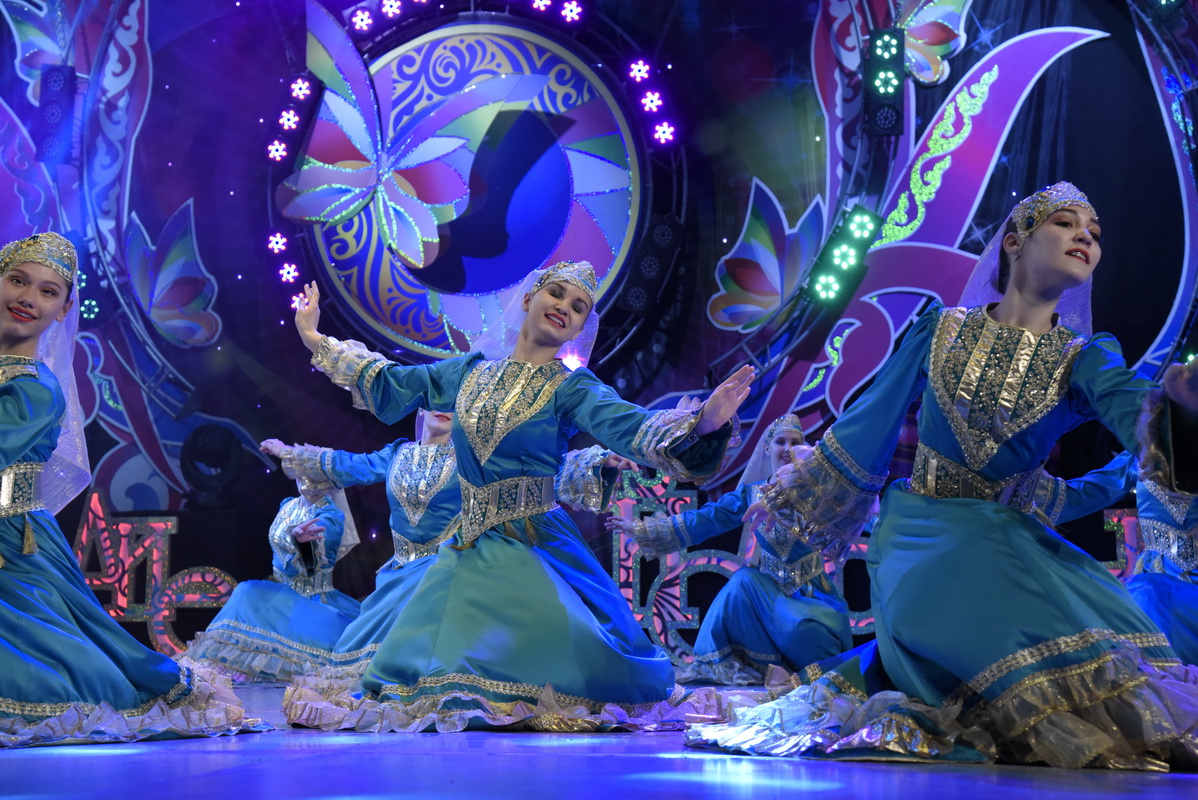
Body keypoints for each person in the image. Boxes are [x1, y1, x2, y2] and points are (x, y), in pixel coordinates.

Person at [689, 183, 1198, 770]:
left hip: (1009, 541)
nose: (1086, 235)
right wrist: (799, 491)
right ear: (1014, 242)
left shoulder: (1084, 356)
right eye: (1065, 222)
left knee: (1108, 685)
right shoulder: (940, 330)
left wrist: (1181, 412)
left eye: (1096, 233)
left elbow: (1136, 413)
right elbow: (871, 418)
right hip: (921, 536)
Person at [282, 260, 754, 731]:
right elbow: (395, 382)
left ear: (579, 328)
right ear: (529, 298)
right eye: (557, 293)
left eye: (579, 307)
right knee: (427, 678)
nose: (564, 307)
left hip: (534, 542)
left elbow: (631, 427)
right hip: (467, 547)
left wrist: (704, 424)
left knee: (572, 664)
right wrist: (314, 338)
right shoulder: (469, 373)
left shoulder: (571, 388)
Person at [0, 232, 258, 746]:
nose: (29, 297)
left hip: (12, 543)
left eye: (48, 291)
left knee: (45, 668)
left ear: (64, 309)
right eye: (18, 281)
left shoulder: (32, 388)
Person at [264, 410, 636, 673]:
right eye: (436, 399)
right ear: (421, 409)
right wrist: (287, 453)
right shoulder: (396, 454)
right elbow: (345, 464)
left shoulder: (475, 459)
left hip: (450, 573)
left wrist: (594, 462)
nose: (444, 408)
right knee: (355, 667)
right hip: (398, 578)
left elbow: (531, 475)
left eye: (454, 402)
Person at [606, 413, 852, 684]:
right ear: (766, 448)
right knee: (744, 580)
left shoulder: (816, 492)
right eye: (780, 441)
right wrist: (646, 529)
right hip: (769, 591)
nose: (788, 448)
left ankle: (798, 674)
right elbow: (709, 518)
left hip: (811, 594)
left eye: (795, 442)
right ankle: (759, 668)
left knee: (803, 633)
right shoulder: (752, 494)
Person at [183, 472, 361, 682]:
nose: (307, 480)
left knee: (247, 593)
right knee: (246, 593)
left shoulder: (330, 515)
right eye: (303, 471)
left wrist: (303, 544)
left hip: (311, 598)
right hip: (279, 591)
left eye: (314, 473)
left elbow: (311, 566)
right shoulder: (288, 505)